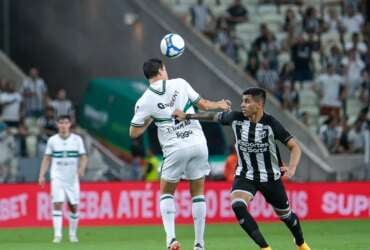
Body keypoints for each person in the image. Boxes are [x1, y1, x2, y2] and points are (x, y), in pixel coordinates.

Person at [173, 87, 310, 250]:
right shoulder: (235, 118)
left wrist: (292, 168)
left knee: (287, 216)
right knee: (238, 205)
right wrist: (186, 116)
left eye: (247, 101)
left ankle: (300, 242)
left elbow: (295, 147)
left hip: (270, 177)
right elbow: (212, 116)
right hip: (245, 175)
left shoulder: (271, 124)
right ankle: (265, 248)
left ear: (259, 104)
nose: (242, 105)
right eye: (242, 101)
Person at [129, 58, 231, 250]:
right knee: (198, 193)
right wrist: (219, 104)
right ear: (162, 70)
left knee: (166, 192)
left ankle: (171, 240)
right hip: (198, 143)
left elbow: (133, 132)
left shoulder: (144, 100)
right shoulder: (180, 83)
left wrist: (151, 118)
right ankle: (199, 244)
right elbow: (204, 105)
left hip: (175, 149)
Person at [38, 115, 88, 243]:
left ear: (70, 124)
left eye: (66, 123)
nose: (63, 125)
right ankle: (57, 235)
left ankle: (72, 234)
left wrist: (82, 168)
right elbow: (47, 158)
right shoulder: (52, 141)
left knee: (73, 207)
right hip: (57, 177)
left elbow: (83, 156)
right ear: (57, 124)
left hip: (72, 177)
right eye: (61, 123)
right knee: (57, 204)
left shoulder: (77, 140)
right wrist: (42, 174)